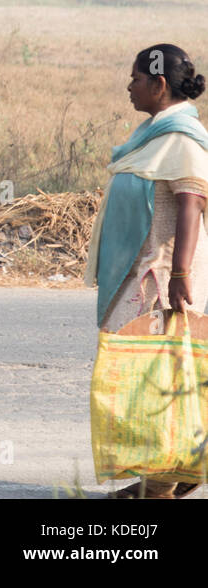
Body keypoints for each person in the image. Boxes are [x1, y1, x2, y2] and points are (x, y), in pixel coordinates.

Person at [85, 43, 208, 498]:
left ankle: (160, 484)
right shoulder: (154, 136)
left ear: (158, 84)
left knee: (152, 378)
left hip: (158, 281)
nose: (129, 87)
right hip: (141, 275)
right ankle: (166, 476)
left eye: (136, 78)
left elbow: (192, 202)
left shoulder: (181, 141)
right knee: (153, 375)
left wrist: (179, 276)